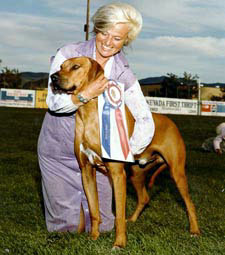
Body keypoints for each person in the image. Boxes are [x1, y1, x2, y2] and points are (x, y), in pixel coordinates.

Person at [38, 2, 155, 233]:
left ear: (126, 41)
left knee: (103, 228)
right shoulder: (69, 54)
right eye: (104, 33)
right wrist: (84, 95)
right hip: (59, 153)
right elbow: (52, 102)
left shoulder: (123, 72)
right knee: (71, 229)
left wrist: (124, 153)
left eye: (118, 38)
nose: (108, 42)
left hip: (99, 159)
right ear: (96, 30)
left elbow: (145, 119)